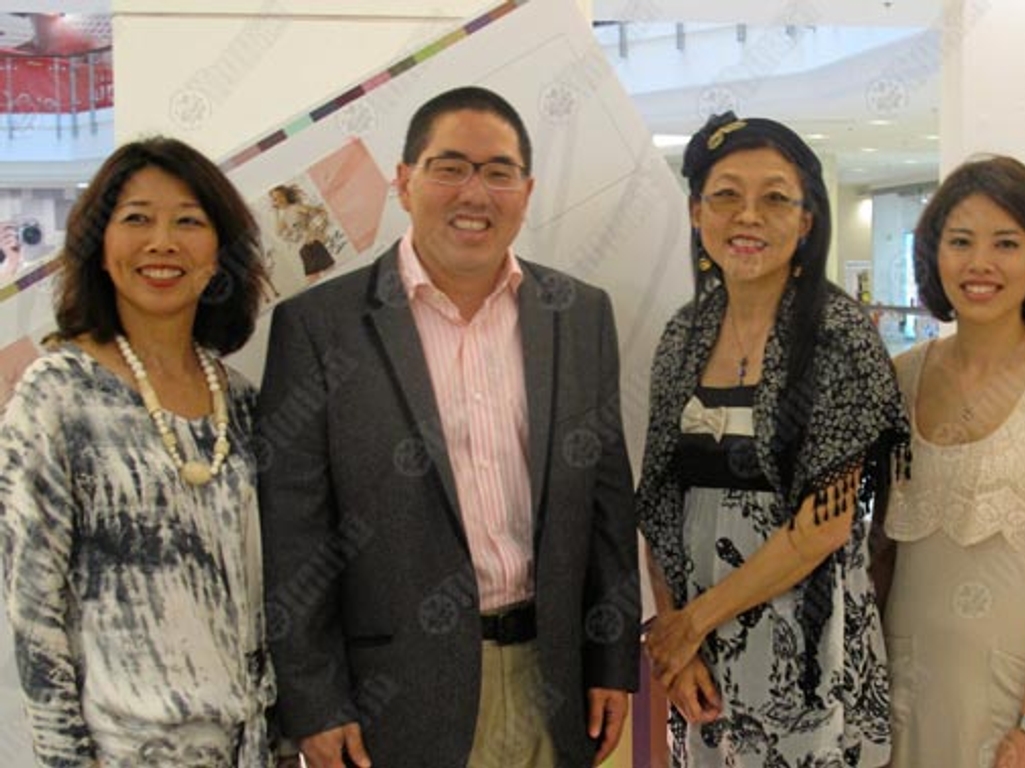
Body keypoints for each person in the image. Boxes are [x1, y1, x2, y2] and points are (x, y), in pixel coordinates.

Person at [256, 85, 639, 768]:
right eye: (450, 167)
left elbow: (607, 505)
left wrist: (612, 658)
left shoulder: (579, 315)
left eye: (498, 172)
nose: (475, 193)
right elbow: (294, 534)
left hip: (554, 680)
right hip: (393, 698)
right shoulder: (320, 328)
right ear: (404, 182)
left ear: (526, 191)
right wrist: (314, 702)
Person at [636, 112, 910, 767]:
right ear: (697, 212)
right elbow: (661, 502)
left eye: (775, 198)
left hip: (807, 643)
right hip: (699, 646)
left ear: (808, 219)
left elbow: (824, 524)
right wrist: (677, 641)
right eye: (726, 195)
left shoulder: (840, 337)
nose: (748, 216)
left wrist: (692, 622)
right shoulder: (683, 335)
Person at [0, 137, 281, 766]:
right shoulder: (57, 396)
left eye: (189, 221)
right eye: (136, 219)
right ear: (99, 247)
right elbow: (34, 617)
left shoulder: (241, 401)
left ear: (220, 251)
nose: (162, 242)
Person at [881, 155, 1025, 767]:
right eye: (960, 242)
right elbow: (882, 551)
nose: (979, 263)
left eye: (1005, 243)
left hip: (1015, 692)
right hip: (906, 684)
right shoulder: (901, 376)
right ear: (934, 255)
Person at [268, 183, 335, 282]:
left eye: (280, 196)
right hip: (303, 250)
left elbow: (320, 212)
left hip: (313, 244)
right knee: (313, 279)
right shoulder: (284, 216)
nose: (279, 200)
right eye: (275, 199)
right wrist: (276, 213)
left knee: (330, 273)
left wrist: (313, 232)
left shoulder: (296, 207)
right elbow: (278, 232)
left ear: (286, 196)